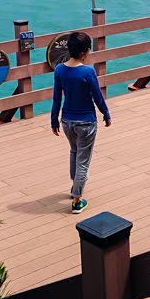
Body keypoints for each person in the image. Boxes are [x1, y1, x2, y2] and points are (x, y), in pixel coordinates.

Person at [50, 31, 111, 214]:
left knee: (74, 151)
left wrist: (54, 120)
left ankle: (74, 187)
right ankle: (77, 201)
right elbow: (97, 97)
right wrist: (106, 114)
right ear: (85, 52)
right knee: (83, 160)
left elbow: (56, 99)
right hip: (86, 123)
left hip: (67, 121)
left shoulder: (59, 70)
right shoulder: (88, 72)